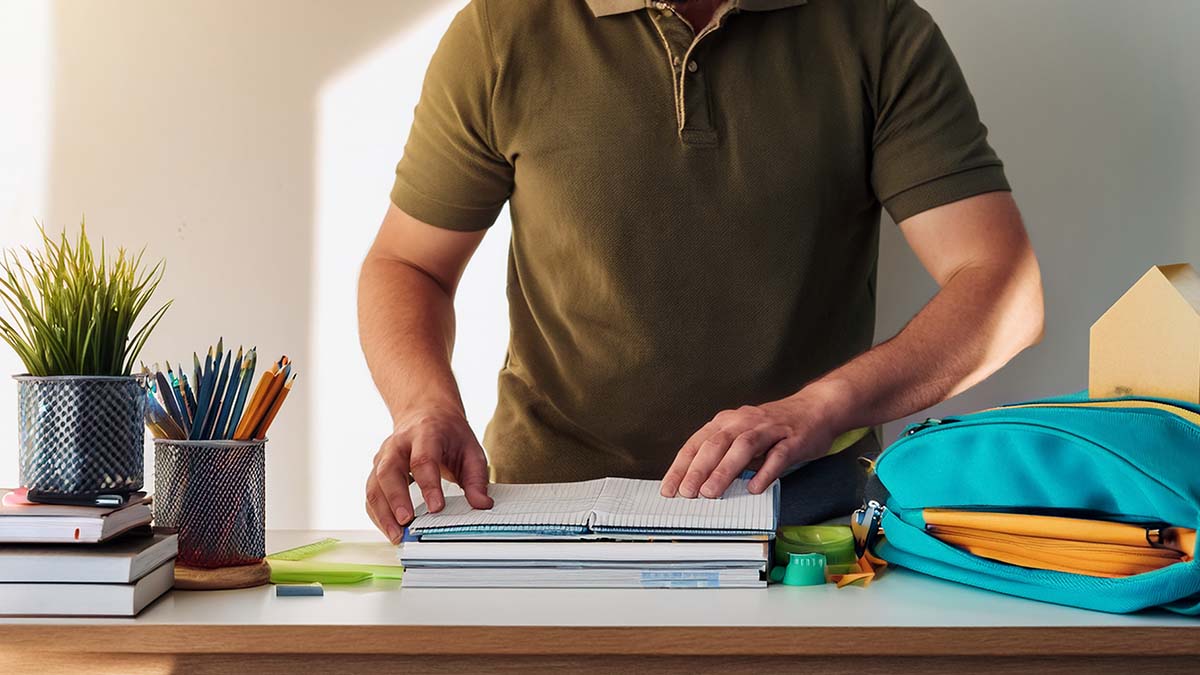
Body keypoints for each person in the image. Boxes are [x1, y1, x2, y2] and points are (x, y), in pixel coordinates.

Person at [359, 0, 1044, 544]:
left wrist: (824, 406)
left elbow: (1004, 288)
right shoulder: (502, 29)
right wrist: (424, 405)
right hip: (548, 519)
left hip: (811, 529)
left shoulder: (876, 26)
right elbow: (409, 264)